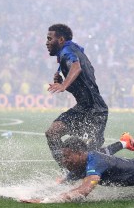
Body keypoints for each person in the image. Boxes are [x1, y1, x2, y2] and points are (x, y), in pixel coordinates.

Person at [45, 23, 110, 166]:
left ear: (61, 40)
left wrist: (63, 85)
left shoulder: (67, 51)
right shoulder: (71, 51)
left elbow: (76, 67)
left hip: (96, 111)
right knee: (52, 133)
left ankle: (124, 143)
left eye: (50, 39)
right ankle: (66, 170)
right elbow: (83, 85)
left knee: (90, 158)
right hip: (83, 108)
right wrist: (66, 84)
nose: (47, 43)